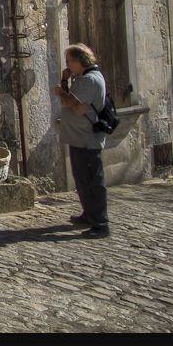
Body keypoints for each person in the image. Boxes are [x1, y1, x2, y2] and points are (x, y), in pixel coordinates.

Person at [52, 43, 110, 238]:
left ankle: (101, 223)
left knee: (93, 180)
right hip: (79, 137)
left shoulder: (89, 81)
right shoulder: (82, 79)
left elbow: (71, 102)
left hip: (87, 138)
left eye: (69, 61)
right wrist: (65, 81)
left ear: (78, 61)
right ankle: (89, 214)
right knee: (83, 179)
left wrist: (61, 90)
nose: (67, 65)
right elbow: (71, 102)